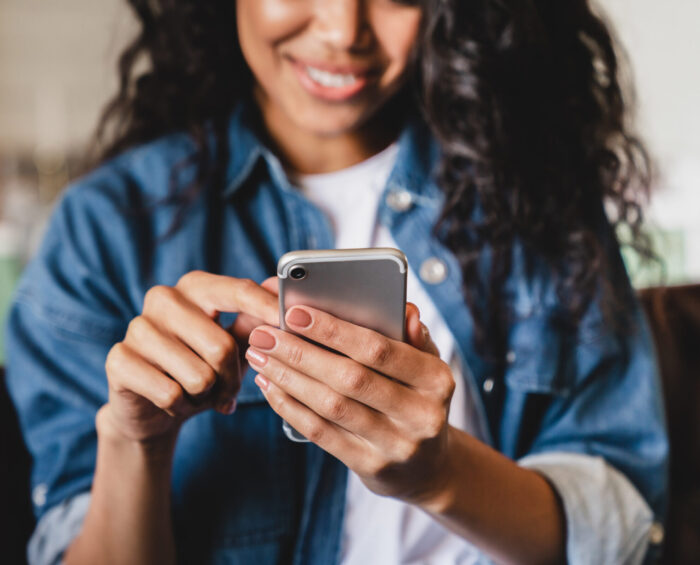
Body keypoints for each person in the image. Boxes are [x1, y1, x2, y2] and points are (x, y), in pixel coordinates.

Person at [5, 1, 668, 564]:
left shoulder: (537, 196)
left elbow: (622, 526)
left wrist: (439, 474)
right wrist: (134, 442)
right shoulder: (107, 228)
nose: (343, 29)